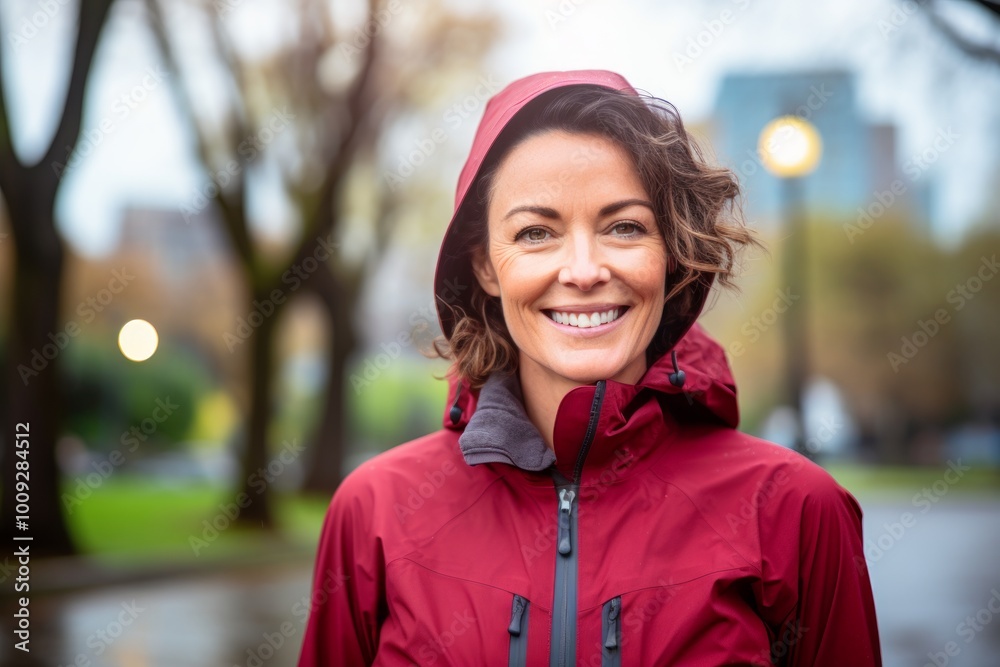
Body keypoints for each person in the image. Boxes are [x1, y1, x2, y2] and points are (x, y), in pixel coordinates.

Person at [297, 70, 882, 667]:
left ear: (671, 252)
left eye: (624, 227)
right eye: (535, 232)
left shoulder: (796, 509)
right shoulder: (372, 512)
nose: (582, 270)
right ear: (486, 266)